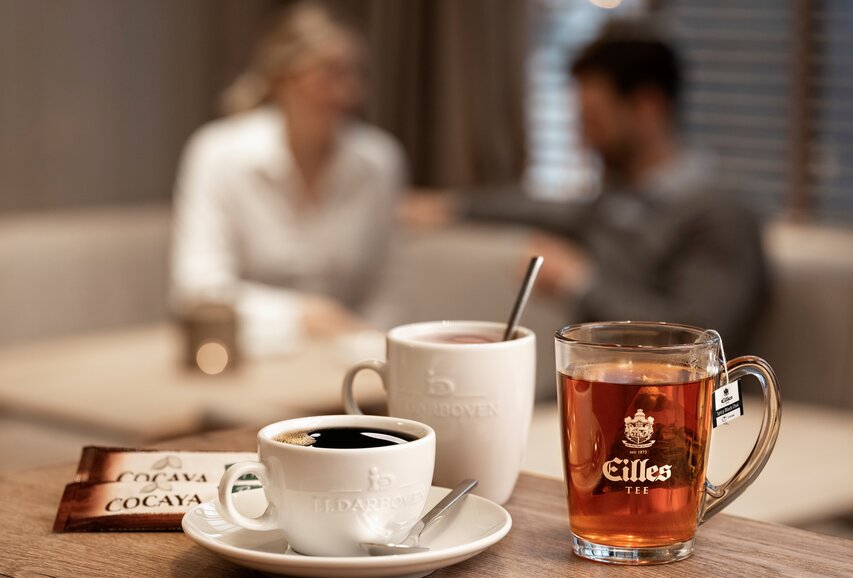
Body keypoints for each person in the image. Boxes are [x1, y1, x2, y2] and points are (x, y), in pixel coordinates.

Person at [408, 20, 767, 355]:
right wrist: (452, 206)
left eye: (593, 119)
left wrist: (579, 281)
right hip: (601, 379)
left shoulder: (721, 217)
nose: (582, 138)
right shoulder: (616, 201)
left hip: (669, 396)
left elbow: (700, 340)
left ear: (648, 107)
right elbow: (541, 208)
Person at [171, 2, 405, 355]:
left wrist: (369, 349)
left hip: (351, 360)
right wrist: (304, 317)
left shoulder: (380, 160)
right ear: (281, 77)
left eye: (355, 73)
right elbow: (197, 290)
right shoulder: (219, 154)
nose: (347, 93)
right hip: (244, 354)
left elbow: (390, 292)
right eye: (329, 73)